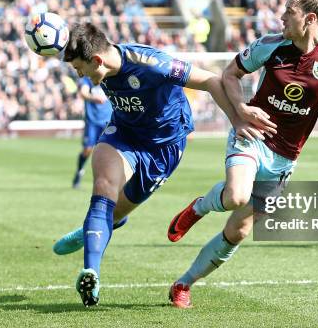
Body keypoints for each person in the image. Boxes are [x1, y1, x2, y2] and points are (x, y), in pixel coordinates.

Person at [166, 0, 318, 308]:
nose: (281, 16)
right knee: (236, 196)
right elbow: (229, 74)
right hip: (252, 137)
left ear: (309, 18)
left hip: (285, 158)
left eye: (289, 11)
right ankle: (199, 207)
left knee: (239, 231)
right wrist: (242, 109)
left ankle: (184, 283)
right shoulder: (271, 45)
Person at [54, 22, 274, 307]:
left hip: (163, 147)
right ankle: (91, 272)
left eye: (79, 69)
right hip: (123, 133)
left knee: (115, 211)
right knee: (103, 189)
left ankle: (91, 230)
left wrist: (237, 119)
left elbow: (210, 80)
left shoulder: (152, 64)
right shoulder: (100, 66)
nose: (80, 75)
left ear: (97, 60)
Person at [72, 77, 113, 189]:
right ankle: (79, 171)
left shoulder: (110, 77)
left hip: (108, 121)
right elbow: (83, 93)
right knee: (87, 150)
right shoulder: (88, 79)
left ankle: (106, 181)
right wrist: (93, 98)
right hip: (92, 121)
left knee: (108, 152)